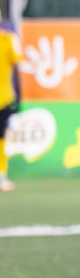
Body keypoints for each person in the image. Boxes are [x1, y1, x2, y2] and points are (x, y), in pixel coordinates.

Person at [0, 20, 20, 192]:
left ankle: (1, 175)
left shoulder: (8, 40)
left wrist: (19, 95)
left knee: (1, 138)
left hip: (3, 98)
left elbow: (16, 67)